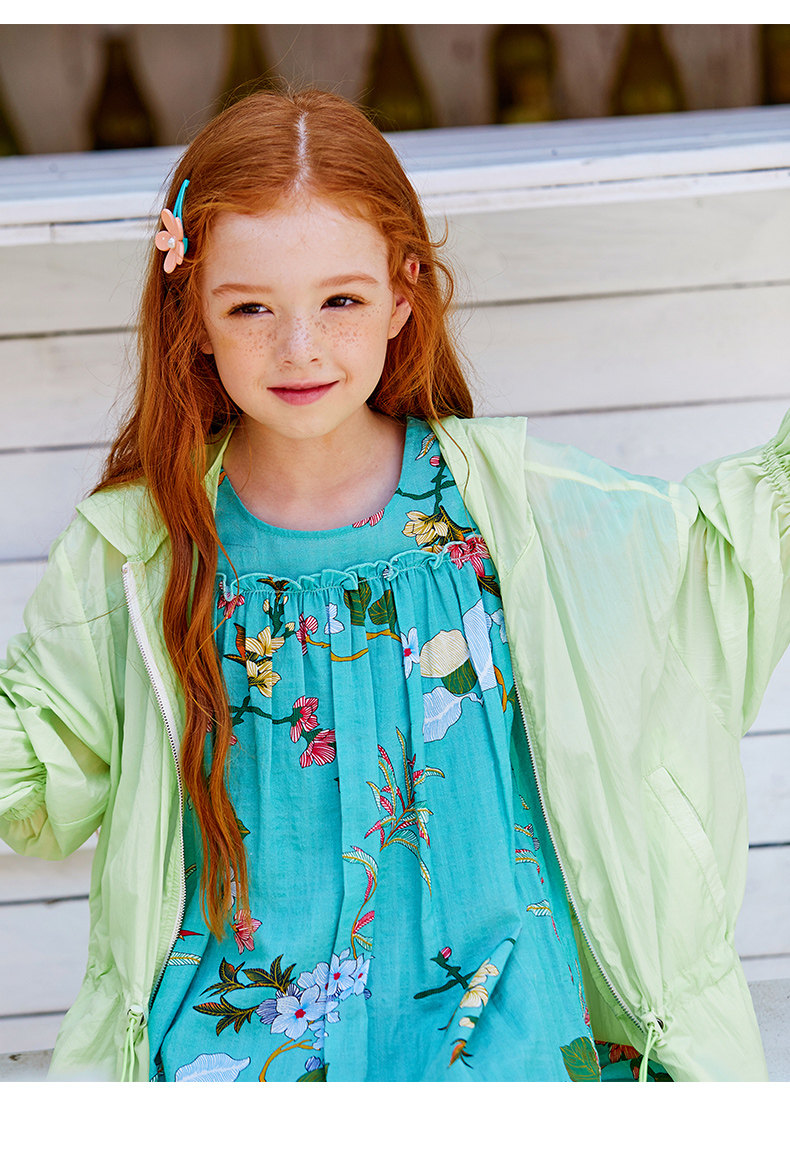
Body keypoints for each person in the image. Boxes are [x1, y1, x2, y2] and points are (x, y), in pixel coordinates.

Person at [0, 87, 784, 1083]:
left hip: (494, 1018)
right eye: (250, 308)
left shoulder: (510, 509)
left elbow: (719, 555)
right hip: (236, 1035)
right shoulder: (142, 548)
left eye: (341, 301)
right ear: (193, 316)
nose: (299, 347)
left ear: (403, 294)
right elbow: (36, 772)